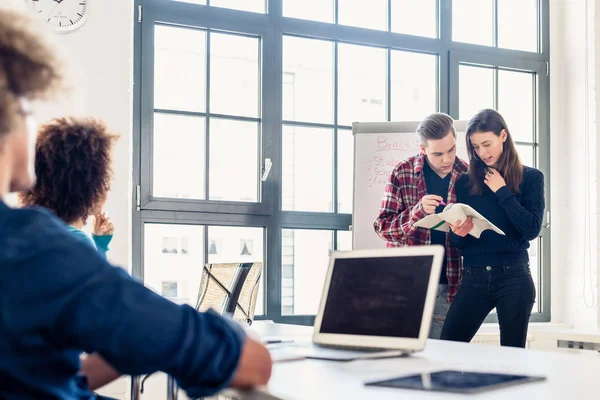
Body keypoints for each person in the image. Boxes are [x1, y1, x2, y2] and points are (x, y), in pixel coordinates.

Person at [0, 8, 271, 399]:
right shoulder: (32, 248)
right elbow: (252, 362)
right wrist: (205, 328)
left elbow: (38, 376)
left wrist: (138, 334)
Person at [440, 109, 544, 348]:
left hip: (514, 276)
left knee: (512, 357)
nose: (482, 153)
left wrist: (502, 191)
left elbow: (530, 229)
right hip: (474, 276)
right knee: (447, 346)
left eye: (487, 144)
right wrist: (459, 233)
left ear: (503, 136)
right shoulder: (465, 183)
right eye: (475, 147)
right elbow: (461, 244)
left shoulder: (531, 177)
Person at [373, 113, 468, 339]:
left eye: (451, 150)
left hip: (449, 285)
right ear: (423, 149)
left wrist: (465, 229)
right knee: (401, 359)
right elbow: (383, 228)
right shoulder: (402, 172)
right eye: (438, 153)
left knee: (438, 359)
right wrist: (417, 211)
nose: (447, 159)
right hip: (405, 284)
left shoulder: (467, 174)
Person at [19, 117, 117, 259]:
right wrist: (99, 247)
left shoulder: (29, 232)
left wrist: (99, 244)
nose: (107, 189)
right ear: (88, 186)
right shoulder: (76, 243)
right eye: (104, 181)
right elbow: (98, 280)